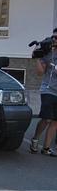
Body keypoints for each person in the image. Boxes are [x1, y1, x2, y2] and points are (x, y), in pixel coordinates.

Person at [31, 28, 57, 156]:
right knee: (46, 118)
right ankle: (35, 138)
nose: (54, 40)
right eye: (53, 37)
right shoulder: (48, 54)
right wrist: (37, 57)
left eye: (56, 38)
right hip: (48, 90)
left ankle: (46, 148)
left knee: (55, 121)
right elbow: (40, 72)